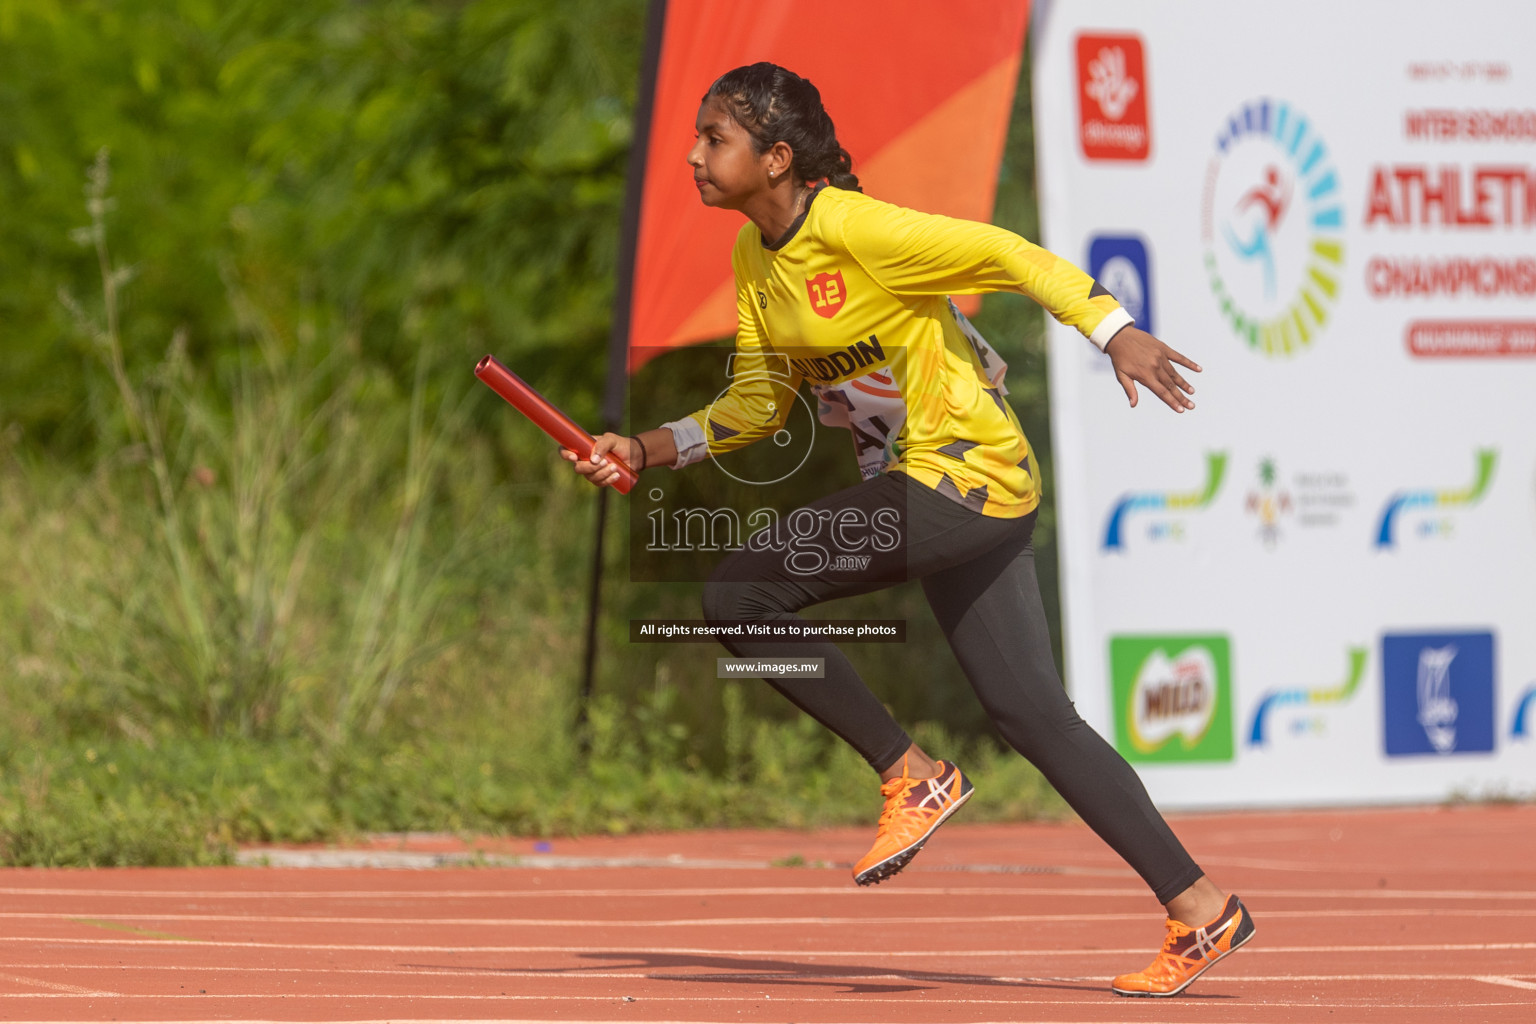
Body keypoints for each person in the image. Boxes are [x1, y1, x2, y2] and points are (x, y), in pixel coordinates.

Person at [565, 62, 1254, 998]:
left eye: (712, 139)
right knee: (1034, 718)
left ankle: (911, 775)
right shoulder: (754, 261)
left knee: (738, 591)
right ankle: (1202, 907)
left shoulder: (858, 229)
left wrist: (1113, 329)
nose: (691, 156)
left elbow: (1010, 254)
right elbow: (761, 404)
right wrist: (645, 451)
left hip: (959, 477)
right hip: (950, 490)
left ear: (775, 159)